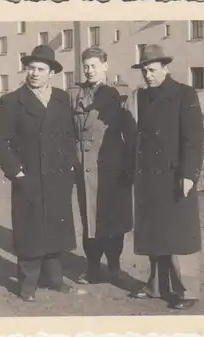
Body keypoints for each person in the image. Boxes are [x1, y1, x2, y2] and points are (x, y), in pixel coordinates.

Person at [0, 45, 78, 302]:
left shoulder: (62, 99)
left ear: (51, 73)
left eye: (40, 69)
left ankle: (55, 278)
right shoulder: (12, 101)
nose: (34, 74)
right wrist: (16, 172)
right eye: (31, 68)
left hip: (58, 176)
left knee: (55, 228)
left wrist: (70, 164)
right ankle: (27, 284)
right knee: (30, 230)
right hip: (29, 176)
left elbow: (69, 136)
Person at [127, 44, 204, 310]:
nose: (148, 75)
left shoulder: (184, 94)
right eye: (144, 71)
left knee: (179, 237)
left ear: (165, 68)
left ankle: (187, 291)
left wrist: (188, 175)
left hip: (174, 177)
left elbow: (194, 139)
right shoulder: (141, 97)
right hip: (148, 178)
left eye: (152, 70)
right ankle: (156, 285)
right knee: (154, 235)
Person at [70, 47, 137, 285]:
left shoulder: (120, 94)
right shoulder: (74, 95)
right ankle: (92, 268)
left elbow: (131, 134)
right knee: (89, 220)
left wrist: (130, 167)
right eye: (86, 66)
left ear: (105, 66)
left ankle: (115, 267)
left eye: (94, 66)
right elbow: (68, 132)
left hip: (112, 167)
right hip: (85, 167)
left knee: (114, 219)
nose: (89, 71)